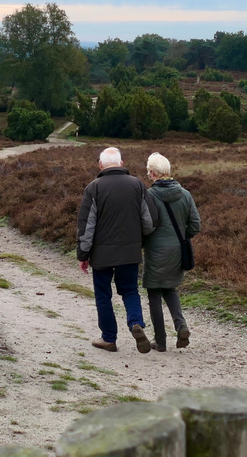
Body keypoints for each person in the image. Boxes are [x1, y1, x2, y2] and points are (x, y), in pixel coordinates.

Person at [76, 146, 155, 352]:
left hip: (101, 254)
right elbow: (149, 221)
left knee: (103, 295)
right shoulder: (138, 185)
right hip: (130, 252)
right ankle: (135, 323)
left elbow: (87, 227)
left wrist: (83, 255)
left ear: (101, 165)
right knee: (130, 290)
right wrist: (140, 240)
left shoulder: (93, 188)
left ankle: (109, 338)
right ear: (121, 164)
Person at [142, 152, 200, 351]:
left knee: (154, 293)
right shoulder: (185, 194)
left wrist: (143, 241)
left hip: (155, 250)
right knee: (170, 289)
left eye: (149, 171)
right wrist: (182, 237)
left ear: (153, 172)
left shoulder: (149, 195)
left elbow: (145, 225)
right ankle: (180, 325)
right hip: (177, 249)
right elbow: (195, 225)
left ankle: (160, 341)